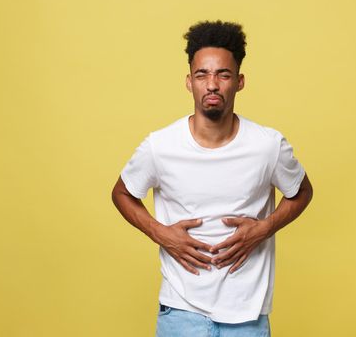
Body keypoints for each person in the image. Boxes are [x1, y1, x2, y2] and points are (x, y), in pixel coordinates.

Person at [112, 20, 313, 337]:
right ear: (189, 82)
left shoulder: (267, 145)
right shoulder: (160, 146)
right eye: (202, 74)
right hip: (180, 313)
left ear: (239, 81)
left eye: (223, 74)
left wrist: (264, 228)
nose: (213, 84)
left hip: (247, 316)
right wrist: (160, 232)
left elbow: (301, 191)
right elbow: (122, 192)